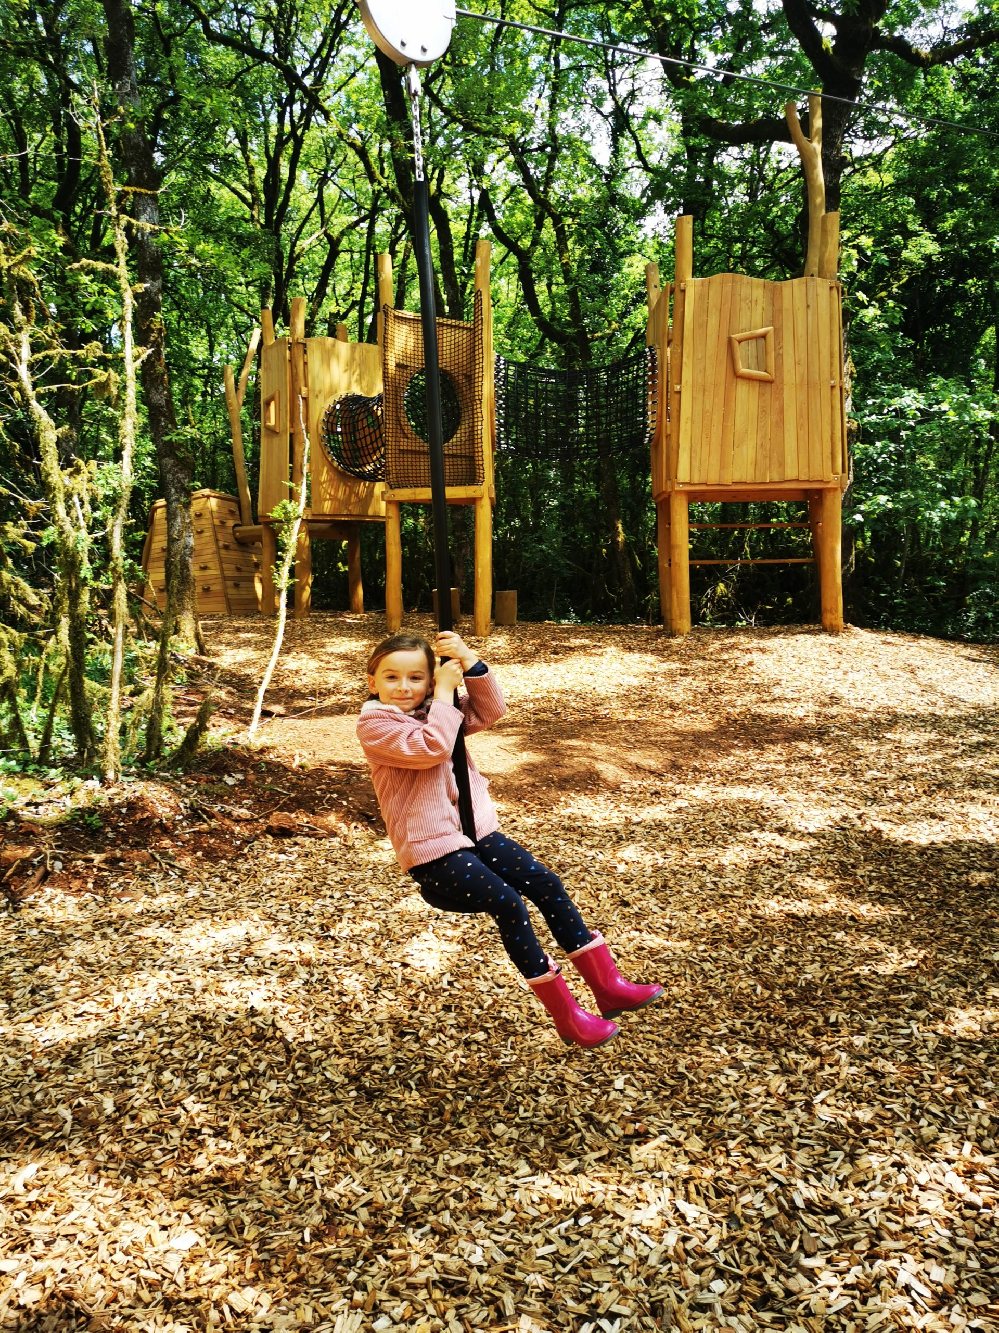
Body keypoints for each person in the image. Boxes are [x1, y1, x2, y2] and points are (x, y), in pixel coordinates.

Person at [355, 629, 663, 1049]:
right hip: (433, 848)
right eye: (392, 677)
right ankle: (569, 1017)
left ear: (429, 681)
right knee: (508, 903)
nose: (404, 687)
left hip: (475, 831)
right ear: (373, 682)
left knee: (546, 884)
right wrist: (443, 694)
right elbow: (432, 747)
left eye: (416, 678)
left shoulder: (436, 707)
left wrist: (468, 660)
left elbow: (490, 709)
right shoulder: (376, 725)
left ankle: (608, 986)